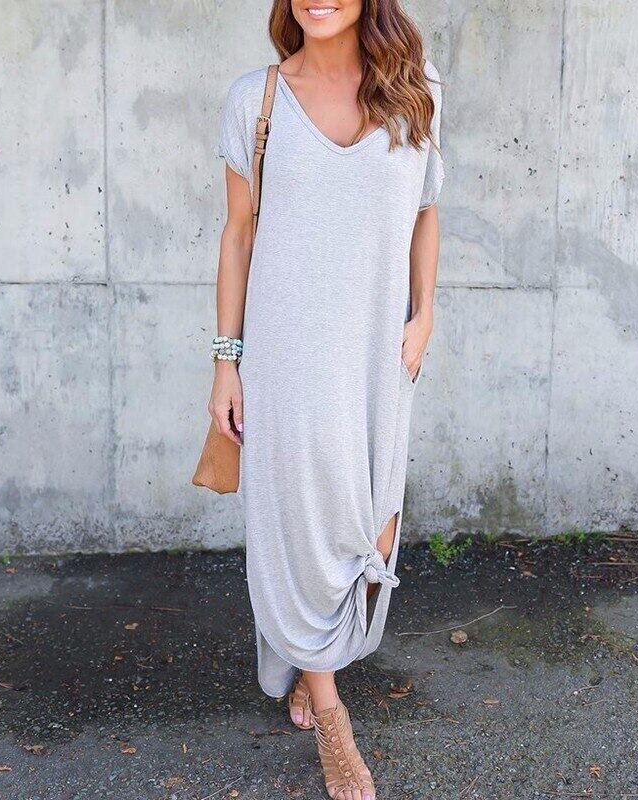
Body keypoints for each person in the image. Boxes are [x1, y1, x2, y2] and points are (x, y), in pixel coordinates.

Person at [209, 2, 443, 797]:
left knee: (370, 521)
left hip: (379, 350)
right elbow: (238, 234)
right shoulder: (256, 99)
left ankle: (306, 656)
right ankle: (330, 708)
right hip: (287, 356)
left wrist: (425, 313)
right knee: (302, 522)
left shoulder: (415, 87)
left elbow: (425, 208)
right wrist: (226, 363)